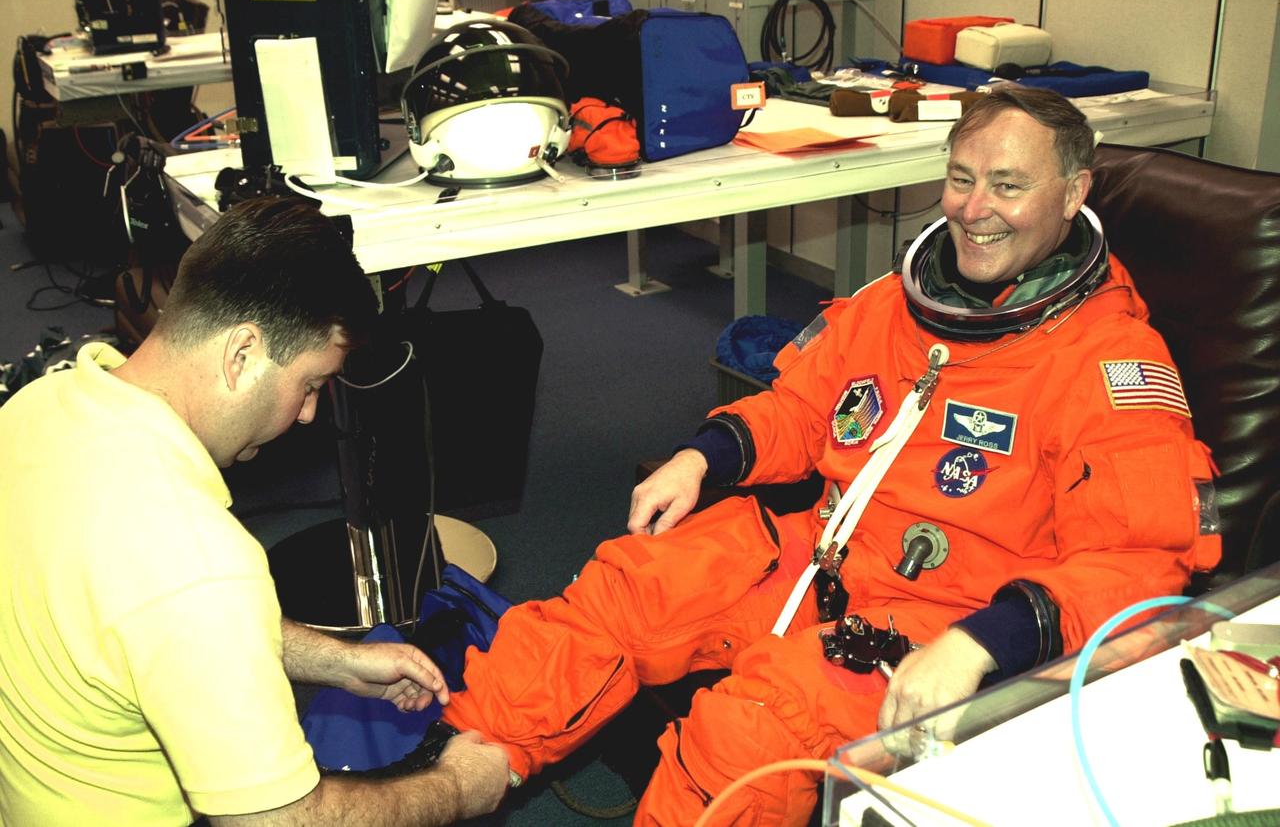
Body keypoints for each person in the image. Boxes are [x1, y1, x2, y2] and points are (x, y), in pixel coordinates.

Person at [439, 86, 1223, 824]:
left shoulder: (1111, 363)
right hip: (821, 552)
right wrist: (702, 457)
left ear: (1074, 193)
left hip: (950, 615)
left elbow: (1141, 559)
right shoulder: (892, 304)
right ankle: (458, 772)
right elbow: (801, 410)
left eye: (1008, 185)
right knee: (623, 587)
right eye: (961, 178)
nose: (973, 207)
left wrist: (985, 640)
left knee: (751, 724)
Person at [0, 196, 509, 826]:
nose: (308, 414)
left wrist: (335, 660)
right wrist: (458, 787)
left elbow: (134, 625)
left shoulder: (37, 408)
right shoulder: (199, 560)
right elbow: (278, 820)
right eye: (311, 385)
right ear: (241, 354)